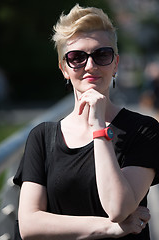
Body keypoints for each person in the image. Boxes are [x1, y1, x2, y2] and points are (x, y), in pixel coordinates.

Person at [13, 4, 159, 240]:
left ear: (115, 64)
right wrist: (110, 228)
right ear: (64, 69)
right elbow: (29, 224)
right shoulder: (42, 137)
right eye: (77, 57)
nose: (90, 65)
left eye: (102, 54)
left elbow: (118, 208)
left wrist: (98, 127)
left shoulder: (143, 130)